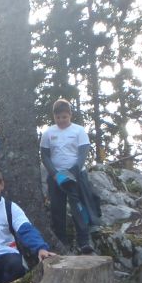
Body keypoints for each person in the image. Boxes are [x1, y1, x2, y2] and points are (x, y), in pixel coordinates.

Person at [41, 99, 94, 254]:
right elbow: (44, 156)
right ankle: (62, 242)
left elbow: (83, 153)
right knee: (57, 209)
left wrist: (73, 172)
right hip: (56, 177)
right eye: (58, 118)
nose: (61, 120)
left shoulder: (79, 131)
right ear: (54, 117)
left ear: (70, 115)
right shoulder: (49, 133)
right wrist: (55, 174)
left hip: (76, 176)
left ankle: (84, 241)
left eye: (64, 117)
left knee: (78, 208)